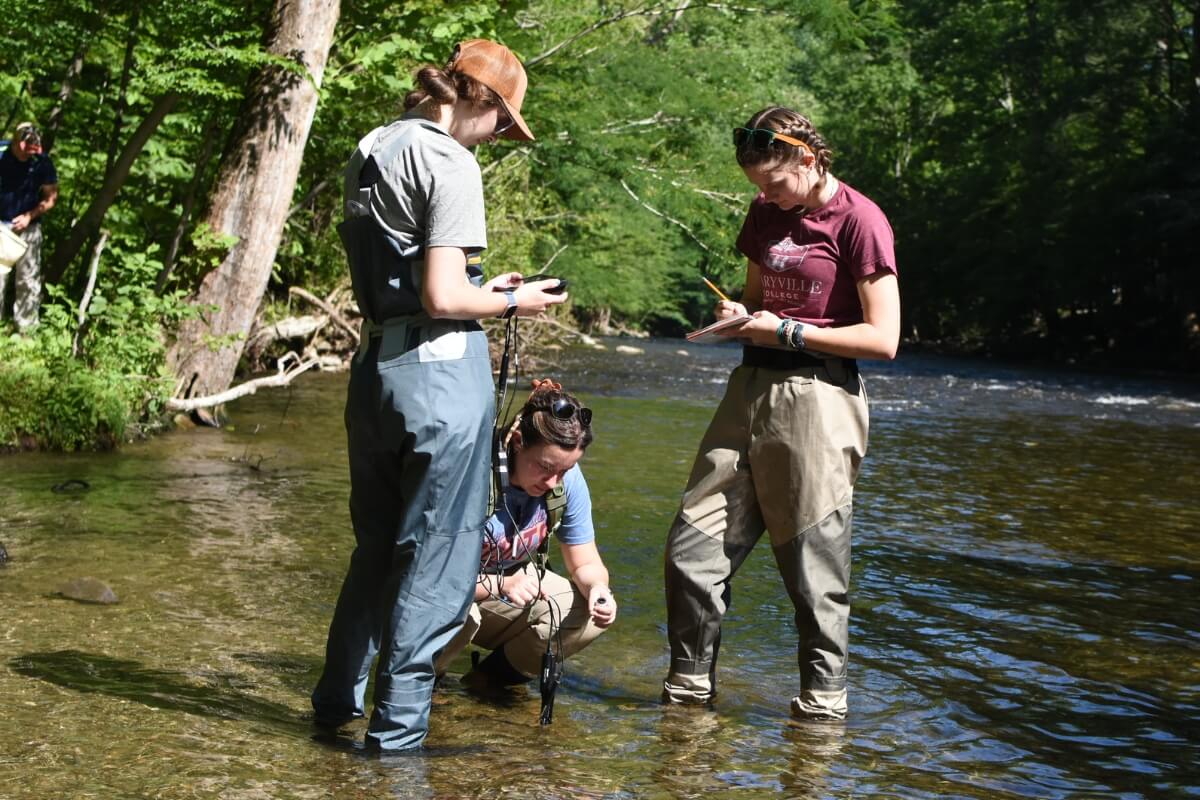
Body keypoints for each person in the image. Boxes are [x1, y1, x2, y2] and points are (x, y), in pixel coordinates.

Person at [311, 39, 567, 752]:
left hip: (375, 376)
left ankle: (335, 707)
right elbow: (443, 294)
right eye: (502, 126)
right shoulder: (450, 160)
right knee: (438, 559)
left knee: (375, 551)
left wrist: (489, 292)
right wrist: (513, 303)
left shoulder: (373, 145)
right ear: (481, 102)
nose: (496, 141)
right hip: (439, 381)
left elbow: (409, 283)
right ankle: (395, 745)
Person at [662, 106, 900, 721]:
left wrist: (789, 330)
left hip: (821, 398)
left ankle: (822, 708)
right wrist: (734, 319)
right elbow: (755, 299)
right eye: (758, 187)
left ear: (810, 159)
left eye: (775, 182)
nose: (767, 196)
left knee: (812, 568)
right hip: (748, 389)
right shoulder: (766, 212)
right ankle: (687, 697)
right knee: (690, 550)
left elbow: (885, 340)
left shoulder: (861, 219)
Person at [434, 379, 617, 688]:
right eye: (545, 467)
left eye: (565, 471)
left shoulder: (563, 481)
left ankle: (481, 686)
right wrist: (501, 584)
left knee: (580, 615)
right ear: (517, 441)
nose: (552, 482)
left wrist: (598, 588)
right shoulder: (471, 471)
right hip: (441, 594)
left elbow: (585, 562)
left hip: (504, 585)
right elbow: (432, 576)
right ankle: (419, 687)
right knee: (465, 616)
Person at [0, 122, 58, 332]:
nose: (27, 153)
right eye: (24, 147)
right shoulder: (1, 152)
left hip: (29, 228)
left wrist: (29, 215)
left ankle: (25, 331)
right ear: (16, 141)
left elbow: (51, 198)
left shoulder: (41, 162)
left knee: (27, 280)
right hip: (1, 227)